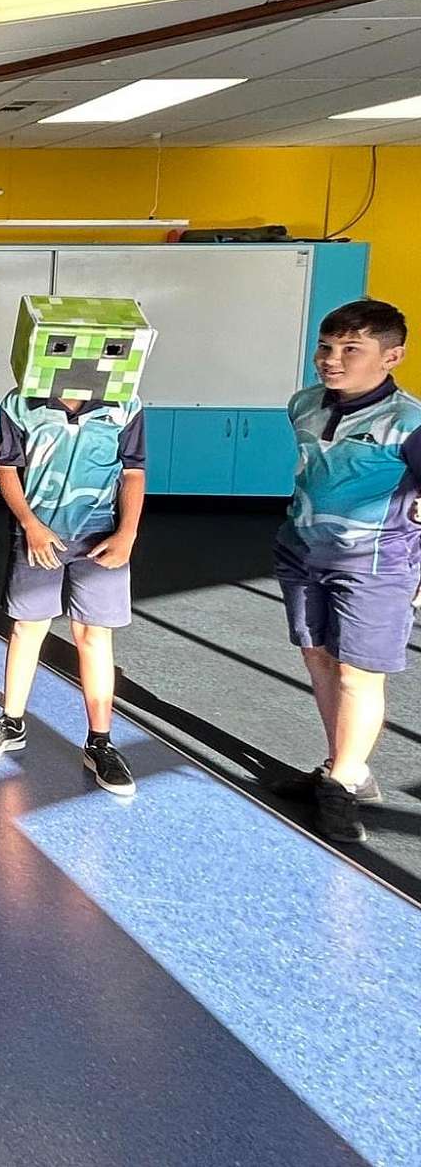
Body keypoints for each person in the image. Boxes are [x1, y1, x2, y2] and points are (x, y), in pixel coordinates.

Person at [0, 296, 153, 797]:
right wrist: (30, 523)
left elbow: (133, 471)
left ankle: (100, 740)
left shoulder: (125, 405)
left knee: (94, 635)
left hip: (99, 535)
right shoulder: (21, 402)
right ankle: (11, 721)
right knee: (28, 627)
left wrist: (127, 533)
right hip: (39, 532)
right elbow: (7, 465)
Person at [271, 299, 421, 843]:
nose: (331, 360)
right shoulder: (303, 404)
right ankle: (347, 765)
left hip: (375, 565)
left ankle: (340, 784)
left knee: (359, 673)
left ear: (391, 356)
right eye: (326, 347)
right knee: (319, 659)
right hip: (303, 551)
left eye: (351, 349)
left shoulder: (409, 422)